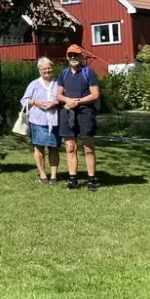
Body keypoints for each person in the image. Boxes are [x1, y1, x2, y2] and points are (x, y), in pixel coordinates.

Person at [57, 45, 101, 191]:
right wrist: (67, 100)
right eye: (70, 55)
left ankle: (91, 179)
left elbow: (95, 94)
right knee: (70, 147)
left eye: (76, 55)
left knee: (88, 148)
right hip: (67, 112)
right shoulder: (63, 73)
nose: (73, 58)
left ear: (82, 57)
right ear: (67, 57)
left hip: (85, 112)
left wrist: (78, 101)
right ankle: (73, 179)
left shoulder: (89, 72)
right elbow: (58, 95)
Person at [21, 57, 61, 184]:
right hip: (38, 121)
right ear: (39, 70)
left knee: (54, 148)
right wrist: (35, 102)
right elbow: (23, 100)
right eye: (44, 69)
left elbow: (64, 98)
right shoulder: (34, 84)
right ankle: (43, 174)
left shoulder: (59, 83)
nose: (47, 70)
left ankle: (54, 175)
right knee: (39, 148)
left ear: (52, 68)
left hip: (54, 120)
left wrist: (55, 103)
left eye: (49, 68)